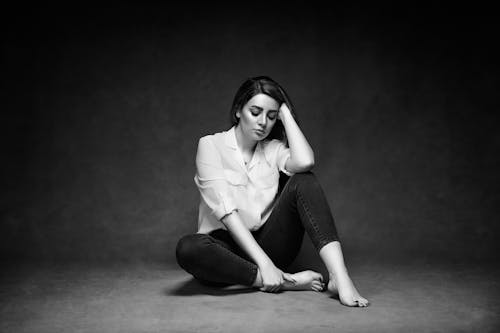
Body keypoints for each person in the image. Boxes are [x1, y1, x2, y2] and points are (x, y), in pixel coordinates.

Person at [176, 76, 369, 307]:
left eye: (271, 115)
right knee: (189, 248)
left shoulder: (274, 150)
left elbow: (306, 162)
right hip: (225, 251)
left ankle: (340, 276)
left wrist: (285, 113)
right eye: (255, 112)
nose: (263, 122)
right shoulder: (210, 145)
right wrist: (265, 265)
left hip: (271, 245)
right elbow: (226, 212)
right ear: (238, 110)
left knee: (304, 181)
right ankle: (286, 282)